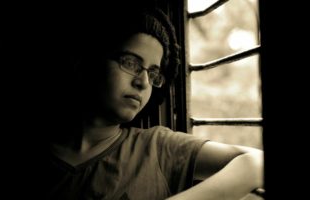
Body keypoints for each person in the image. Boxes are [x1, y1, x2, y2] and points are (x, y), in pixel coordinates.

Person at [50, 4, 264, 200]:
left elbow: (257, 162)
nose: (143, 82)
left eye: (153, 74)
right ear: (90, 61)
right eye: (130, 63)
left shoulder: (157, 148)